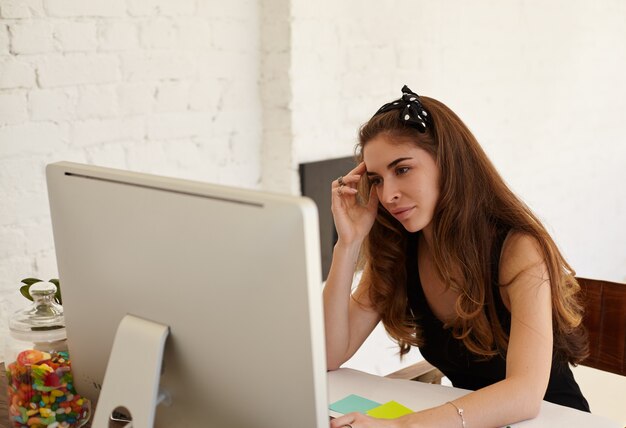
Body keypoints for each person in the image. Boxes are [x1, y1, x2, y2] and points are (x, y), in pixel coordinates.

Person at [325, 86, 590, 428]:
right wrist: (347, 244)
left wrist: (402, 426)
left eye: (402, 169)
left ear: (447, 163)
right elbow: (330, 355)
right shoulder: (400, 249)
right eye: (376, 179)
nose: (388, 194)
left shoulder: (518, 249)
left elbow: (525, 394)